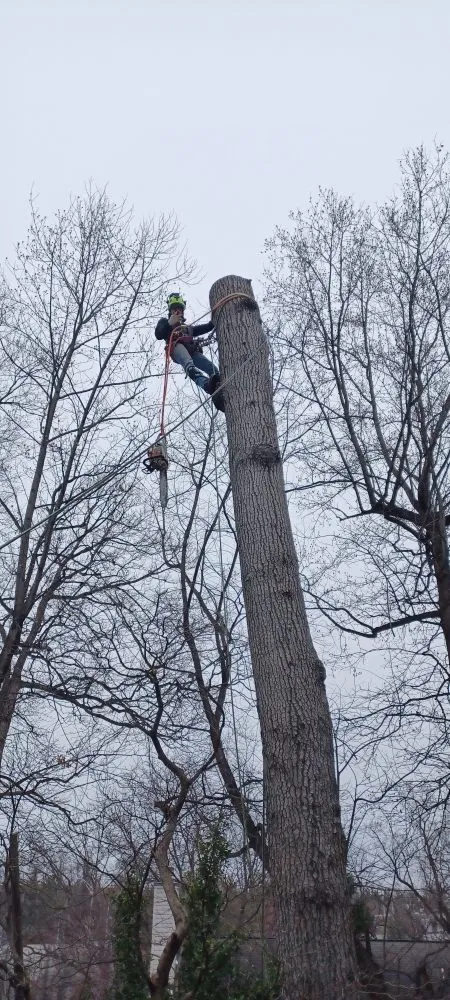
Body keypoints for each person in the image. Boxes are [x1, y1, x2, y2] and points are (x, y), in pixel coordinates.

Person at [155, 293, 224, 411]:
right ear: (170, 310)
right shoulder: (165, 322)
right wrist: (169, 324)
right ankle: (206, 385)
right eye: (174, 309)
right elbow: (159, 334)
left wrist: (214, 318)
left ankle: (218, 387)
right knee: (189, 364)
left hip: (192, 350)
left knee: (211, 367)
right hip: (176, 346)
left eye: (179, 309)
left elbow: (206, 327)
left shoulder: (188, 328)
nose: (177, 311)